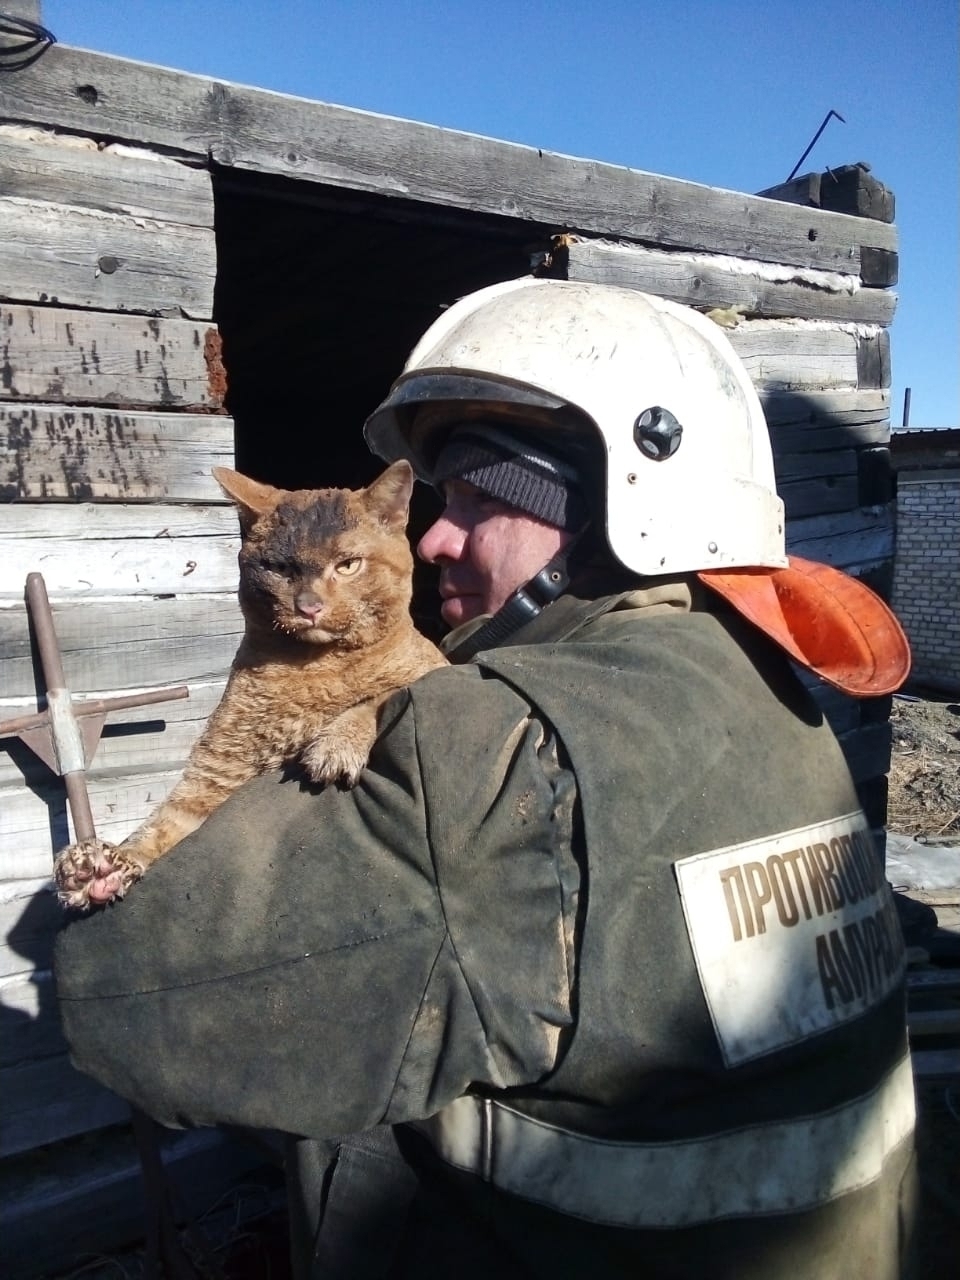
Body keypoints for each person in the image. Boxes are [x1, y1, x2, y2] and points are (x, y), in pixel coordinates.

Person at [54, 279, 917, 1280]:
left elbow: (132, 1009)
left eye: (478, 501)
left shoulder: (489, 739)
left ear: (614, 512)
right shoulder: (774, 689)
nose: (429, 539)